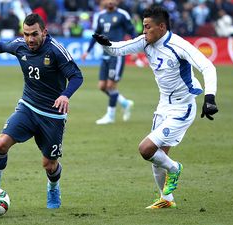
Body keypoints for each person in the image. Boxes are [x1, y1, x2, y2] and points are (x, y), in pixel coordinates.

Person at [92, 5, 218, 208]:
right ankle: (166, 199)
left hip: (182, 107)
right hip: (163, 106)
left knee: (146, 149)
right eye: (143, 26)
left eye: (148, 27)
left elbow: (207, 66)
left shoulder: (179, 45)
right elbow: (118, 49)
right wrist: (105, 44)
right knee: (159, 158)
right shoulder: (145, 41)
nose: (144, 31)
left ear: (161, 27)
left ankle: (175, 169)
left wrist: (210, 97)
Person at [0, 13, 83, 209]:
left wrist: (65, 95)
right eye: (26, 34)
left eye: (34, 34)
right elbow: (1, 45)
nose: (30, 39)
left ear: (44, 32)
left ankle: (53, 188)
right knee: (1, 144)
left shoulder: (56, 51)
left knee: (49, 165)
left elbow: (76, 76)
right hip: (27, 107)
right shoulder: (20, 45)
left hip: (52, 115)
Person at [81, 0, 136, 125]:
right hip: (105, 54)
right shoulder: (101, 16)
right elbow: (96, 35)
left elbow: (132, 32)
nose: (110, 1)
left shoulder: (123, 15)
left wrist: (134, 51)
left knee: (111, 86)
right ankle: (125, 103)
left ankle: (110, 116)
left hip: (117, 55)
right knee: (102, 86)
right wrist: (87, 51)